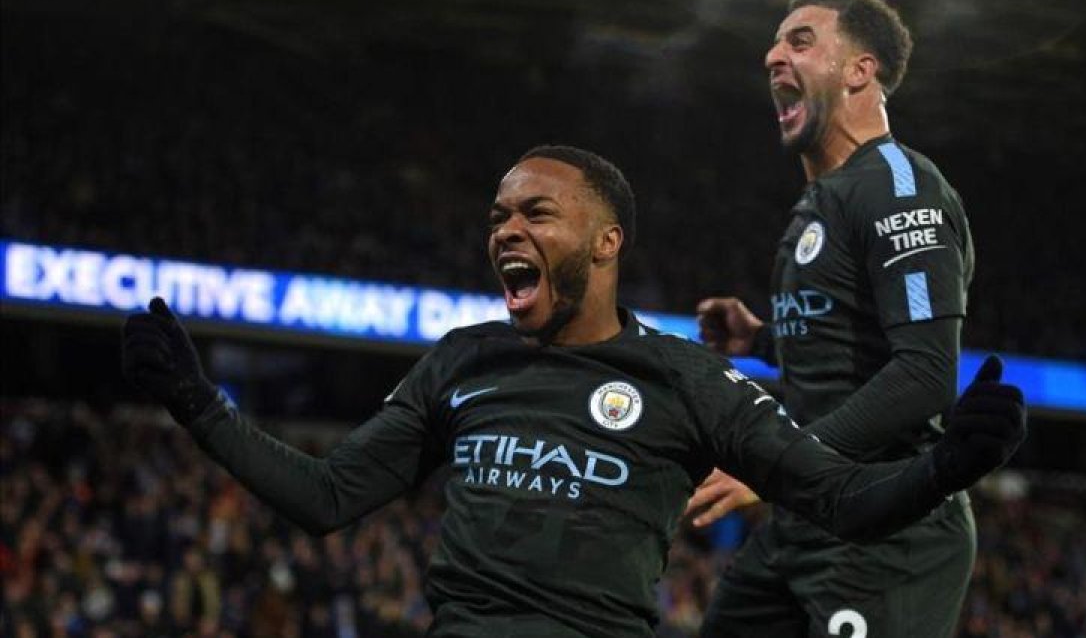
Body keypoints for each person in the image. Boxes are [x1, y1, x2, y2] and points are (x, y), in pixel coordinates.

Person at [122, 145, 1024, 638]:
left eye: (535, 213)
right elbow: (327, 496)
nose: (506, 230)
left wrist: (950, 464)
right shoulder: (462, 360)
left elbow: (840, 499)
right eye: (498, 218)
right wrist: (200, 404)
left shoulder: (686, 378)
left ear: (606, 243)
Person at [690, 0, 985, 638]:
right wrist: (762, 339)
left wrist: (775, 464)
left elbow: (924, 374)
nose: (772, 56)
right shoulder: (820, 201)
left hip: (890, 534)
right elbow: (852, 346)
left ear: (859, 71)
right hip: (807, 519)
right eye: (772, 44)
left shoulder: (899, 187)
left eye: (800, 41)